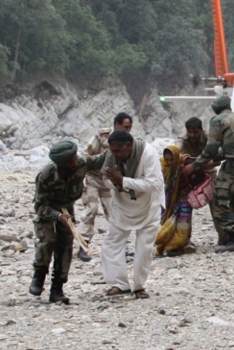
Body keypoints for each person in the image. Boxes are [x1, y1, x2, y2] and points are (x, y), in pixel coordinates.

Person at [30, 140, 106, 304]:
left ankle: (57, 288)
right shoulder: (46, 175)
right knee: (47, 240)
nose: (75, 160)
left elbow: (101, 159)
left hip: (67, 208)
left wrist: (119, 143)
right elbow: (40, 206)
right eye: (71, 160)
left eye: (75, 157)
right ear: (62, 163)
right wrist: (57, 216)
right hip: (49, 210)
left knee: (65, 245)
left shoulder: (81, 163)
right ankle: (39, 275)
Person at [182, 94, 234, 253]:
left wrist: (194, 165)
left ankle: (233, 238)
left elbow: (210, 149)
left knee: (219, 199)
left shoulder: (217, 121)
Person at [101, 130, 164, 299]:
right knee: (112, 243)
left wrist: (122, 180)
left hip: (149, 205)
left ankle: (139, 286)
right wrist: (116, 182)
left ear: (128, 146)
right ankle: (119, 284)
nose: (114, 155)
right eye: (112, 151)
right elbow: (106, 181)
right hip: (122, 205)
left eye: (117, 151)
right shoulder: (111, 156)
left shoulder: (148, 153)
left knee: (144, 247)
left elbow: (154, 183)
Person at [77, 112, 133, 262]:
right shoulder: (102, 136)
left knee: (115, 213)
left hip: (109, 181)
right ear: (116, 125)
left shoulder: (128, 141)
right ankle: (83, 246)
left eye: (129, 128)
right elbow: (85, 155)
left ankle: (121, 247)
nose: (127, 130)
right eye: (125, 127)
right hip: (93, 178)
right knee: (91, 210)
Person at [154, 144, 204, 256]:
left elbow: (201, 174)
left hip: (183, 196)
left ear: (176, 157)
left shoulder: (186, 163)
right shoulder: (163, 164)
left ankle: (180, 243)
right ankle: (171, 244)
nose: (170, 162)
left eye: (172, 159)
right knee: (168, 220)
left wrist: (189, 187)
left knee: (183, 220)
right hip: (170, 197)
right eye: (167, 159)